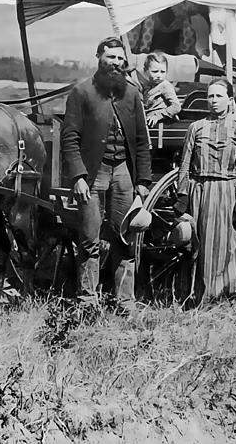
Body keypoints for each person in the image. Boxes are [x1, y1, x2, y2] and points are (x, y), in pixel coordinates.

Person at [62, 37, 152, 310]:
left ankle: (125, 302)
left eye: (119, 58)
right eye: (110, 57)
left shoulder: (132, 94)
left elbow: (141, 141)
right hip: (93, 174)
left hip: (124, 172)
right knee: (89, 240)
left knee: (125, 239)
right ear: (98, 56)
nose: (115, 63)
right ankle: (87, 302)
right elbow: (70, 138)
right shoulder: (82, 92)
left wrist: (143, 181)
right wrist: (78, 176)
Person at [174, 78, 236, 308]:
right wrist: (182, 195)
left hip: (228, 192)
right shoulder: (196, 128)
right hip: (202, 191)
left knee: (231, 244)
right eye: (210, 96)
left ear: (230, 100)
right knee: (204, 245)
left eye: (219, 96)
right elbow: (185, 163)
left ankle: (231, 296)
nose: (213, 101)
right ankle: (202, 297)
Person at [140, 52, 182, 127]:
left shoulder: (165, 85)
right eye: (155, 71)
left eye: (163, 72)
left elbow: (176, 106)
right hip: (149, 122)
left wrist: (158, 115)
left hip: (163, 123)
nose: (159, 75)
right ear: (145, 71)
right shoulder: (147, 85)